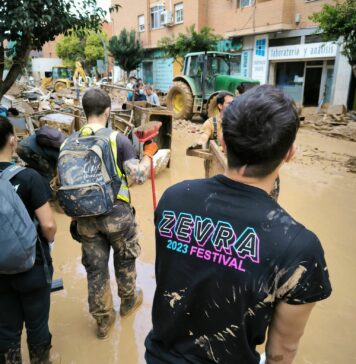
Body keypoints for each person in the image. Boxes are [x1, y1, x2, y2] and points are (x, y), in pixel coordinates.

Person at [145, 85, 332, 364]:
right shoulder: (300, 249)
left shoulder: (174, 198)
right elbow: (281, 352)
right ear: (289, 153)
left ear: (223, 141)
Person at [68, 88, 157, 340]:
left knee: (96, 269)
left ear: (84, 111)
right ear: (108, 111)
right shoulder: (118, 139)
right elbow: (137, 177)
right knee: (125, 257)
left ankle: (103, 319)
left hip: (85, 217)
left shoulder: (69, 141)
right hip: (116, 214)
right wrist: (148, 156)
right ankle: (128, 302)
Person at [0, 116, 57, 364]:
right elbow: (48, 225)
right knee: (37, 326)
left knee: (6, 331)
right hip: (32, 266)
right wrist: (49, 241)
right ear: (12, 140)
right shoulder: (30, 178)